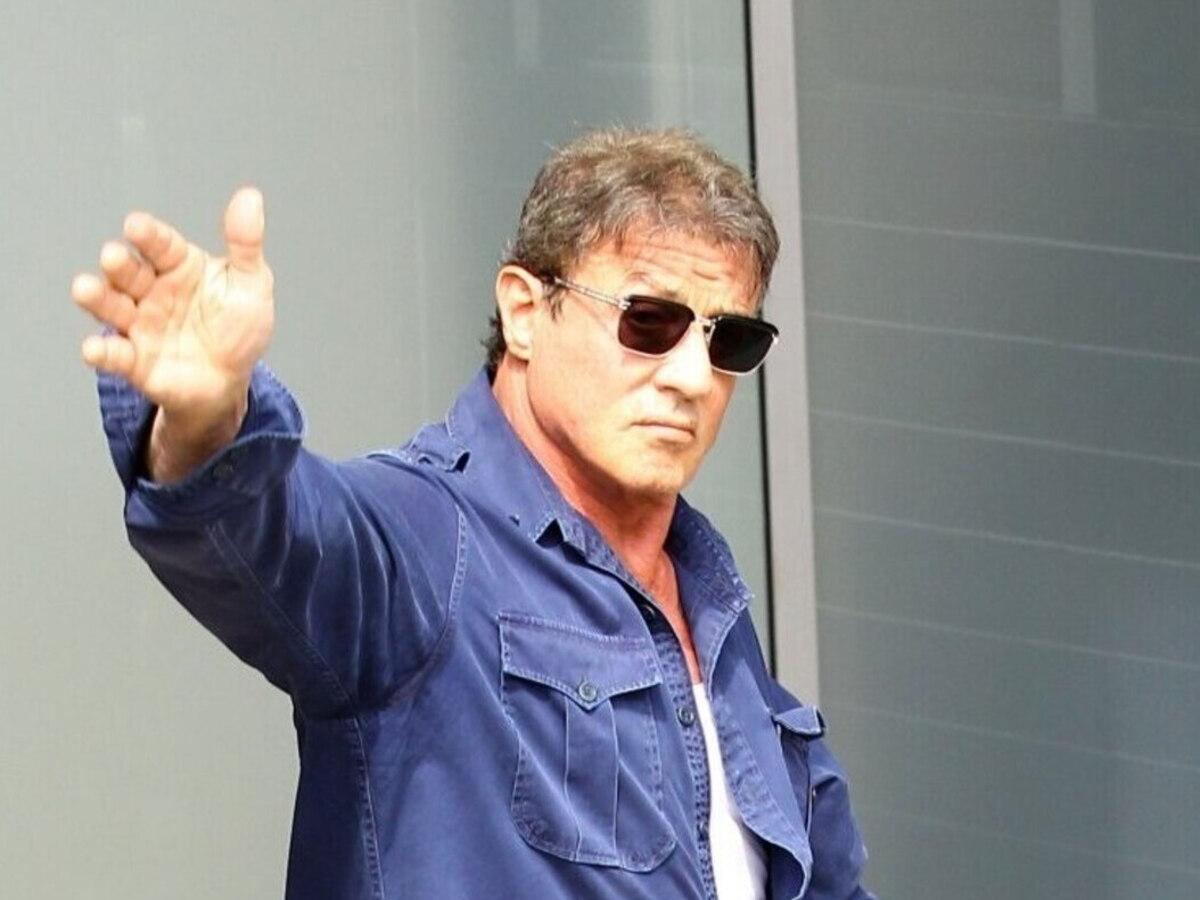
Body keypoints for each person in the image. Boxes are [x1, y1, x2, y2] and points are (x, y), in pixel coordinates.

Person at [72, 128, 873, 900]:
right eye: (649, 322)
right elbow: (267, 530)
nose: (693, 377)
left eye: (730, 340)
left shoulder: (713, 605)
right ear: (524, 311)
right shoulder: (426, 539)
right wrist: (209, 418)